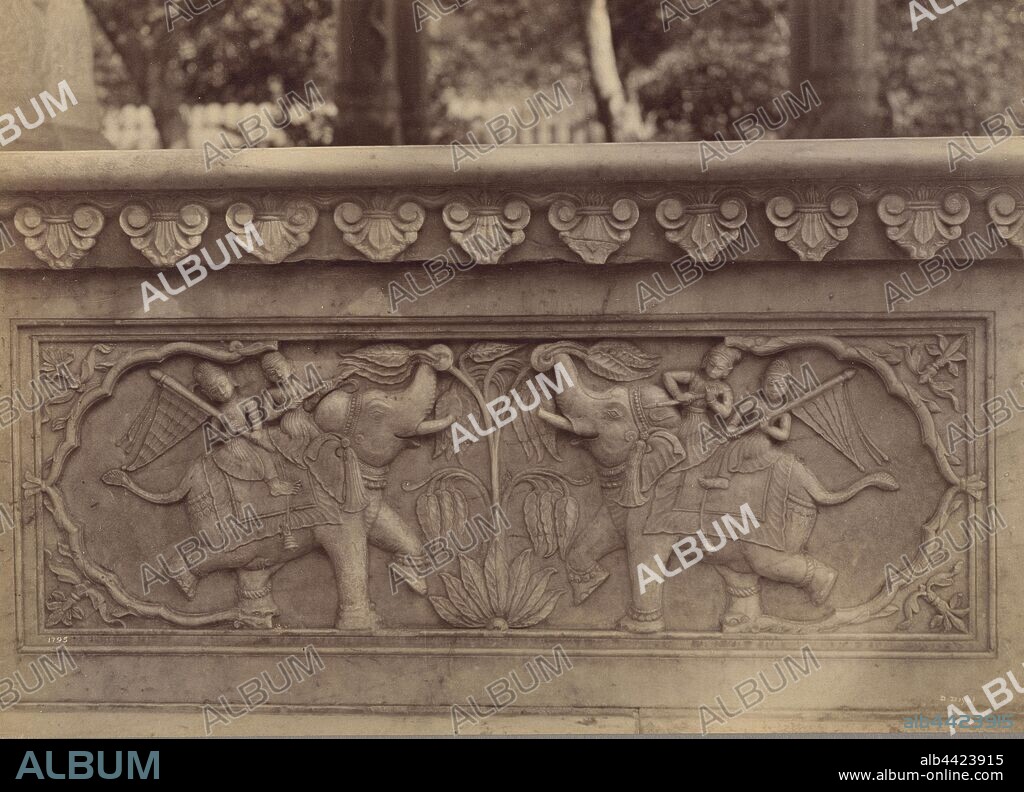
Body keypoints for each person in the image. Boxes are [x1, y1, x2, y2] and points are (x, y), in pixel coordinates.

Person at [193, 361, 301, 498]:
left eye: (222, 385)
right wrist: (228, 433)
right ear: (207, 394)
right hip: (236, 443)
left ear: (230, 378)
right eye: (214, 391)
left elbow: (256, 420)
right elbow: (215, 436)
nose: (222, 391)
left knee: (264, 447)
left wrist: (257, 431)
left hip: (252, 436)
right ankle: (274, 484)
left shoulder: (247, 402)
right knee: (257, 453)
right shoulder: (217, 413)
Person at [701, 358, 793, 489]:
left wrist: (767, 429)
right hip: (744, 435)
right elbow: (734, 422)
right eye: (770, 384)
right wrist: (731, 429)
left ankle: (723, 478)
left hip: (762, 440)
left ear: (788, 385)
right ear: (762, 382)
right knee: (726, 445)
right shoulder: (753, 401)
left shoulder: (784, 411)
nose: (774, 389)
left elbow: (784, 435)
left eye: (780, 385)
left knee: (741, 446)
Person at [662, 343, 742, 479]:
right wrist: (678, 395)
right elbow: (667, 375)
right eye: (712, 364)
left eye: (719, 368)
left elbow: (726, 413)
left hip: (697, 423)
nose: (713, 370)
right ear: (705, 360)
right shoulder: (694, 377)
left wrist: (712, 401)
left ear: (727, 371)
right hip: (680, 416)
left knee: (688, 454)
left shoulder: (723, 388)